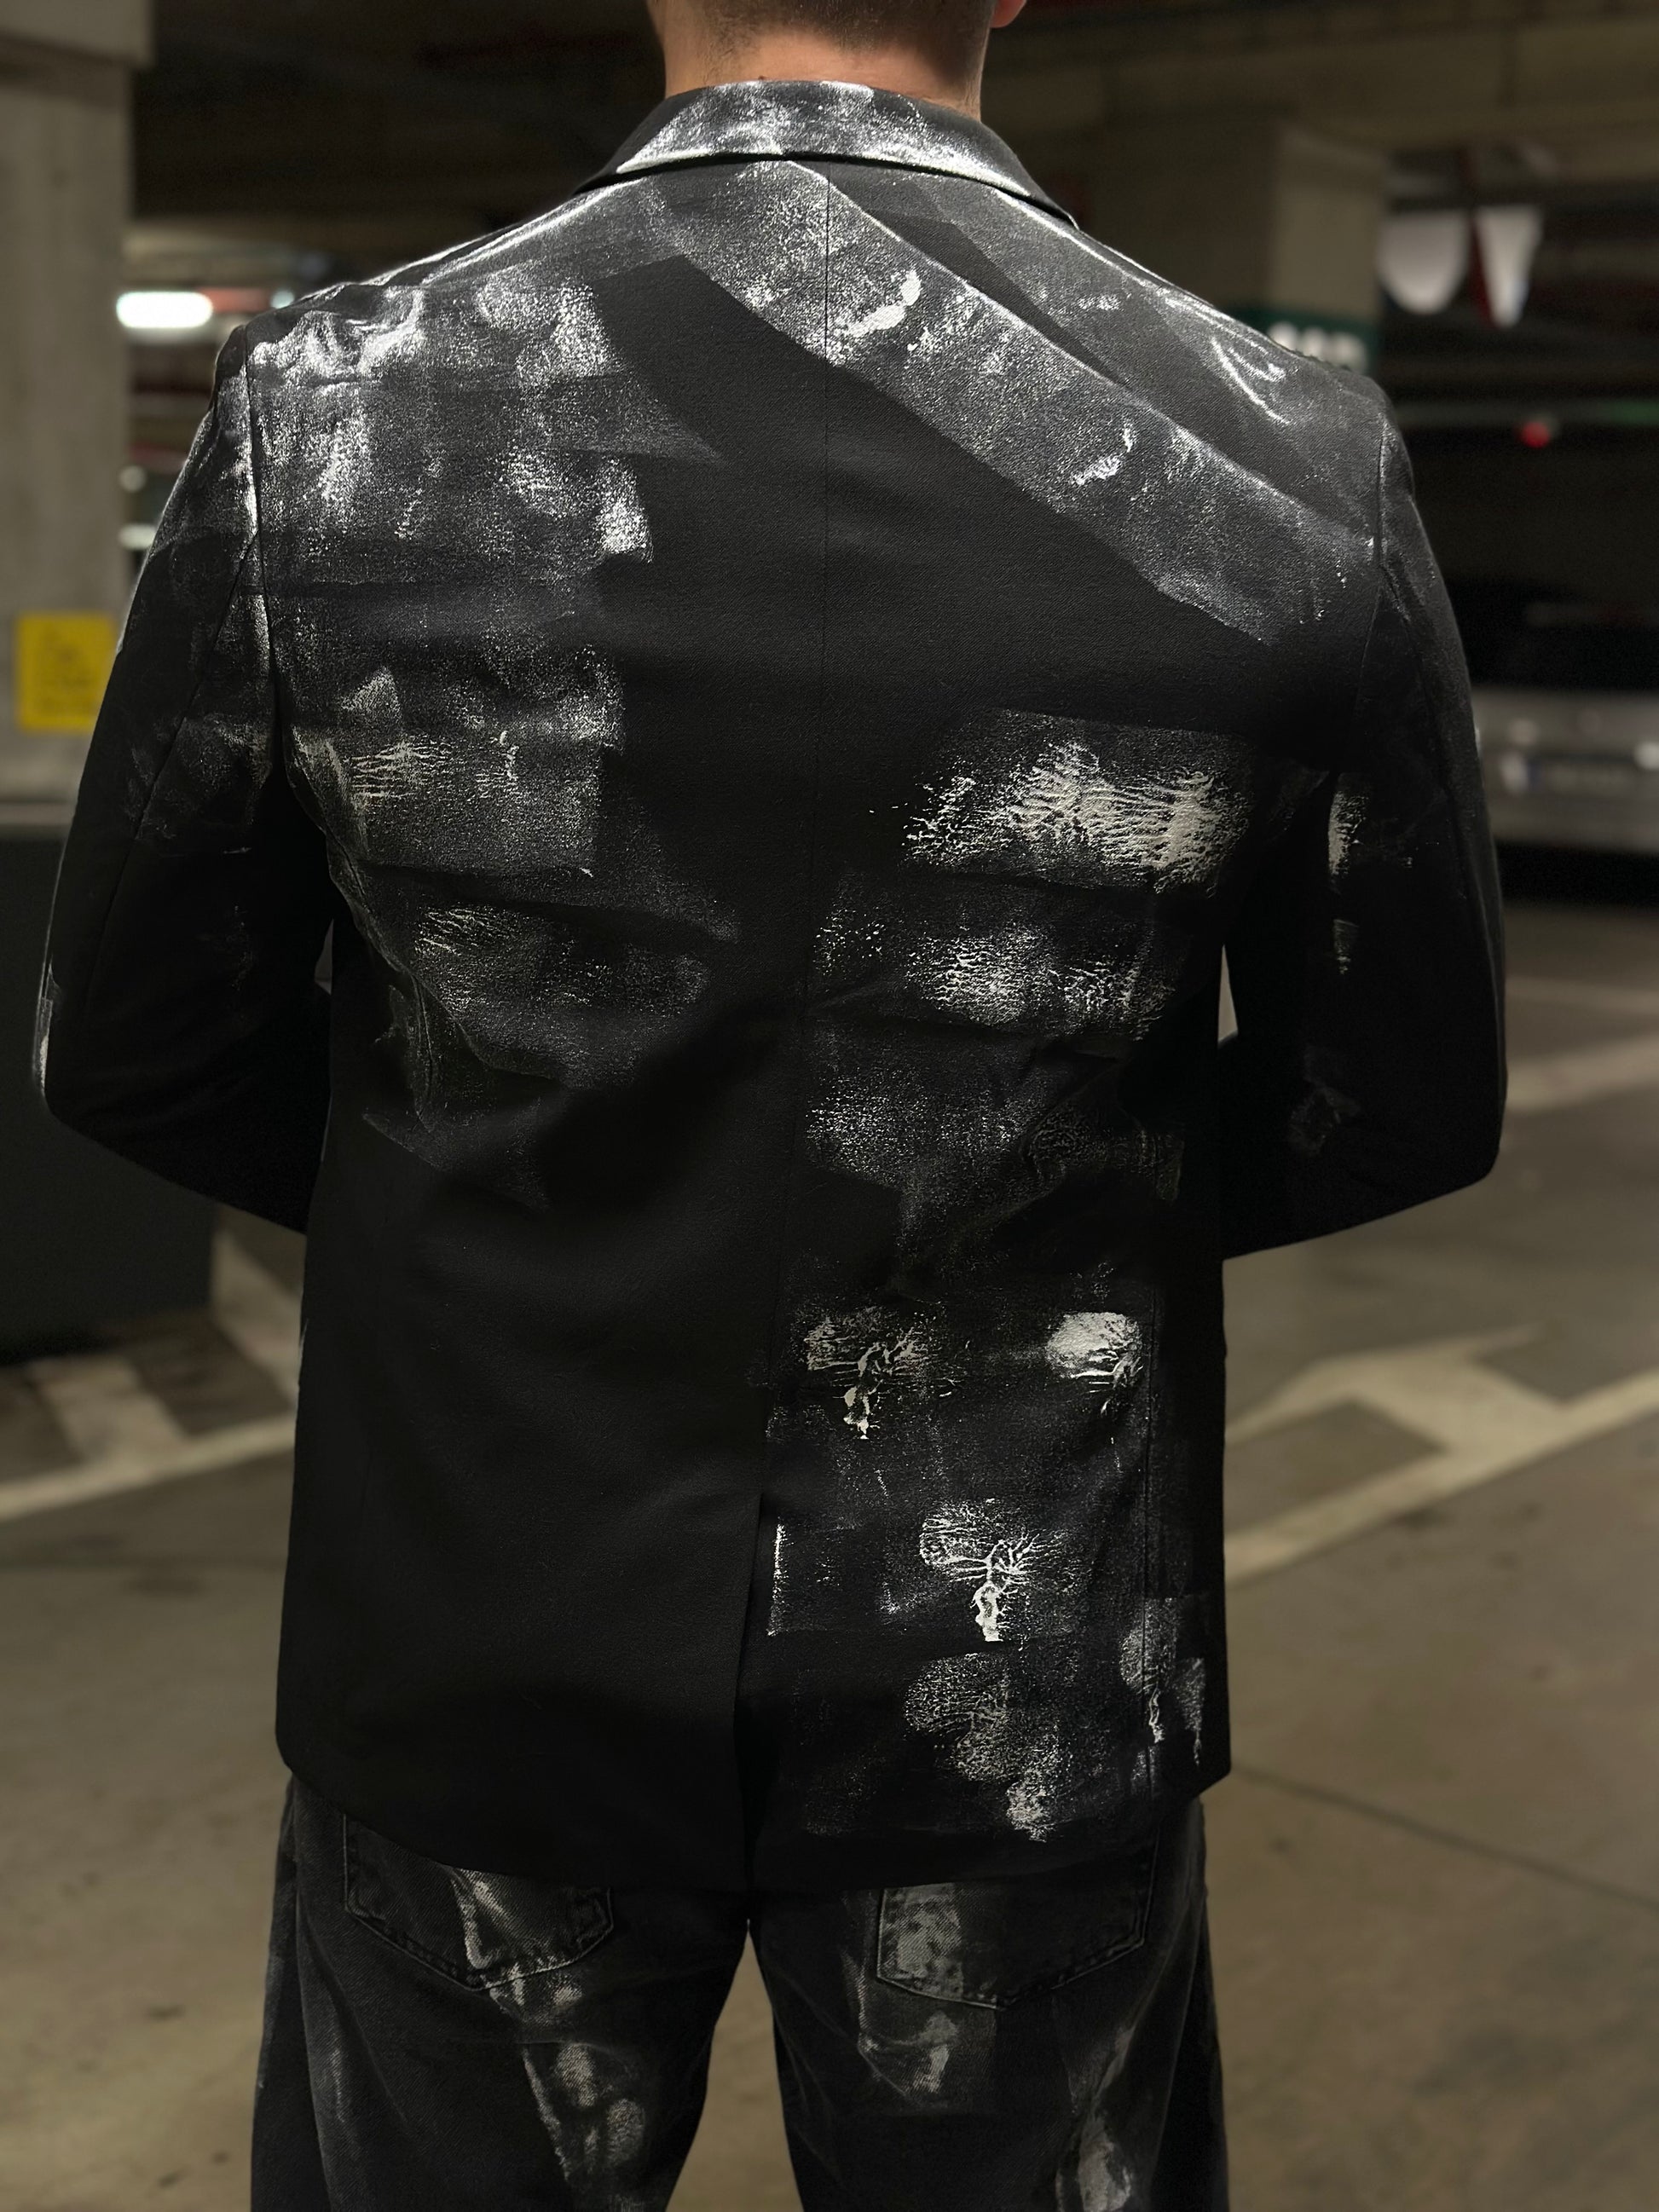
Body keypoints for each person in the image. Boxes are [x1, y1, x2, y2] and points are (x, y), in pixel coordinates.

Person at [39, 0, 1506, 2202]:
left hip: (480, 1624)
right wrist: (1038, 1202)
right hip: (1012, 1668)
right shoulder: (1293, 455)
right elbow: (1399, 1090)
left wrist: (491, 1207)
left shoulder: (326, 413)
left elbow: (136, 1037)